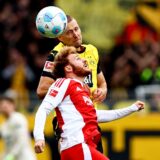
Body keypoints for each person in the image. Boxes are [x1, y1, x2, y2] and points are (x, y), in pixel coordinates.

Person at [33, 46, 144, 160]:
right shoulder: (63, 83)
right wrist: (39, 138)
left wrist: (131, 109)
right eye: (77, 59)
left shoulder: (82, 90)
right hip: (77, 146)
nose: (84, 60)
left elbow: (96, 115)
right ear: (68, 68)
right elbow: (43, 109)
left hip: (82, 148)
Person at [36, 15, 107, 155]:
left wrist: (102, 90)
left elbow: (102, 82)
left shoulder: (92, 50)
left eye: (76, 29)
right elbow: (41, 90)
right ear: (60, 37)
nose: (75, 34)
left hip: (91, 121)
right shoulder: (57, 56)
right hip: (71, 125)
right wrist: (73, 90)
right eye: (69, 32)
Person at [0, 96, 37, 160]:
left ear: (13, 105)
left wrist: (11, 155)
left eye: (5, 105)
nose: (3, 107)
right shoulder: (3, 126)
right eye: (1, 106)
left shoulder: (18, 118)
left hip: (25, 157)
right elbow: (7, 146)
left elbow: (22, 140)